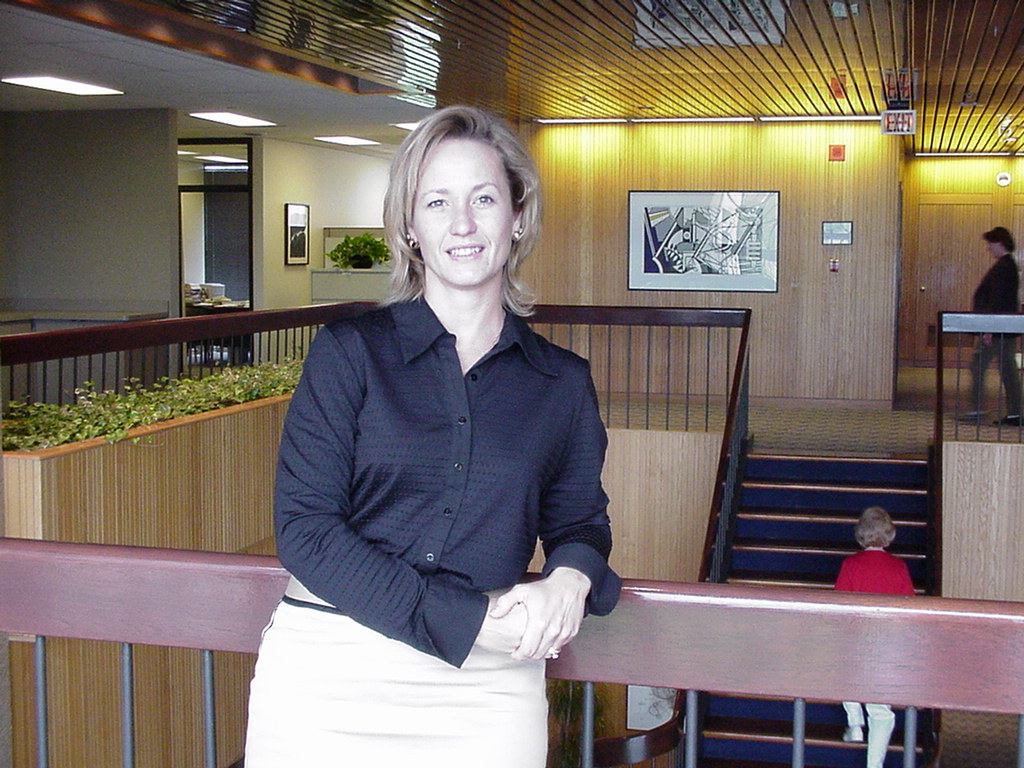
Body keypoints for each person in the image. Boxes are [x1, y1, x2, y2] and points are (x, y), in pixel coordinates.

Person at [243, 105, 621, 768]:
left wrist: (569, 580)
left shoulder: (561, 383)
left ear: (518, 214)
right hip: (329, 671)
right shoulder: (349, 353)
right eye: (437, 202)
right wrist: (464, 619)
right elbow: (305, 530)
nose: (464, 225)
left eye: (483, 198)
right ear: (411, 226)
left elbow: (580, 523)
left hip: (486, 689)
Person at [834, 506, 916, 768]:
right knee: (881, 710)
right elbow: (908, 606)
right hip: (887, 643)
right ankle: (874, 764)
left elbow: (839, 604)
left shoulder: (850, 565)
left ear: (860, 534)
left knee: (846, 677)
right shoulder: (899, 567)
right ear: (889, 534)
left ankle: (855, 723)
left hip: (856, 639)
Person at [966, 226, 1021, 425]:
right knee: (1008, 370)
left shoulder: (1003, 268)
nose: (989, 248)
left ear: (1000, 243)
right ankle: (1015, 413)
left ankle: (978, 409)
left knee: (978, 366)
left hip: (997, 329)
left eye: (991, 244)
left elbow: (997, 299)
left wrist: (988, 327)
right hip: (1003, 328)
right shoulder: (1008, 266)